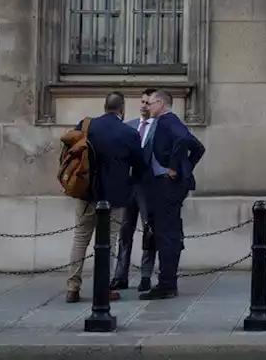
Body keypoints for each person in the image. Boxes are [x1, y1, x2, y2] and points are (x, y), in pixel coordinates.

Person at [66, 92, 147, 304]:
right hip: (115, 196)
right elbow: (140, 165)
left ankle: (72, 287)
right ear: (122, 110)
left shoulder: (86, 126)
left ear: (104, 106)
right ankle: (102, 288)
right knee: (108, 242)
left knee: (80, 238)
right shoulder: (129, 133)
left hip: (86, 192)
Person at [138, 89, 205, 300]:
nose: (147, 107)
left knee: (166, 233)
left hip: (167, 185)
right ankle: (168, 281)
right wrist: (186, 167)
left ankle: (167, 284)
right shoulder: (170, 123)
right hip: (166, 184)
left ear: (160, 103)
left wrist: (176, 168)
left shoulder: (168, 122)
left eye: (150, 104)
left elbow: (186, 142)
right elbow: (198, 147)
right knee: (168, 231)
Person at [110, 88, 159, 293]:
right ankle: (120, 275)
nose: (144, 106)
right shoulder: (129, 126)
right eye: (142, 102)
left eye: (148, 103)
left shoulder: (159, 127)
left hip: (148, 186)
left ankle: (146, 275)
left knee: (149, 230)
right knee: (124, 231)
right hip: (128, 185)